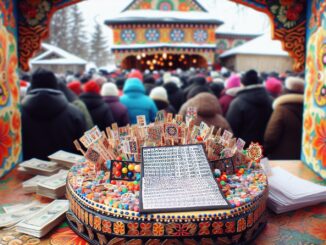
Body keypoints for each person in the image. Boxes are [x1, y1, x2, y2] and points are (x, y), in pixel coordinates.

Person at [21, 68, 87, 160]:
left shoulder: (17, 116)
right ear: (55, 84)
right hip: (67, 172)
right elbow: (85, 150)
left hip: (25, 172)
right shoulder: (75, 113)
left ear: (31, 86)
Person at [226, 70, 273, 146]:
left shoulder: (237, 103)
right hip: (265, 146)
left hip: (243, 148)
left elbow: (231, 128)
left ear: (243, 84)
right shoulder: (270, 100)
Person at [264, 77, 305, 159]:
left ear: (286, 90)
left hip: (282, 157)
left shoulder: (281, 109)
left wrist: (266, 151)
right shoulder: (309, 110)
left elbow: (270, 137)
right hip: (303, 156)